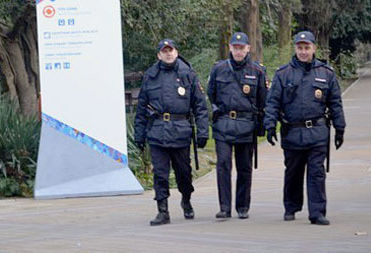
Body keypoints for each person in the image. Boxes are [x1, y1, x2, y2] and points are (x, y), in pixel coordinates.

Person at [264, 30, 346, 225]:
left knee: (316, 172)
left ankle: (317, 212)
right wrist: (269, 125)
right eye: (300, 48)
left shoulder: (326, 73)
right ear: (295, 49)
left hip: (317, 132)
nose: (303, 52)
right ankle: (291, 207)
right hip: (292, 132)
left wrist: (340, 128)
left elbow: (335, 103)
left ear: (314, 48)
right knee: (293, 171)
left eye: (306, 48)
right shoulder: (283, 74)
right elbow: (273, 102)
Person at [134, 39, 209, 226]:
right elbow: (142, 107)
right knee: (160, 173)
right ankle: (162, 211)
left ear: (176, 52)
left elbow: (200, 106)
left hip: (180, 130)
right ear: (159, 55)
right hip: (157, 131)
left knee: (183, 172)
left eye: (171, 50)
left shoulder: (187, 74)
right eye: (164, 51)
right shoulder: (150, 76)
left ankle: (186, 200)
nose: (168, 54)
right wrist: (139, 134)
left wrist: (202, 132)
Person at [207, 32, 267, 220]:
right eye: (235, 47)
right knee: (223, 164)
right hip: (223, 123)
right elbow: (211, 94)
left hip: (246, 124)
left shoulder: (257, 71)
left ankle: (242, 206)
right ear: (230, 48)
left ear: (248, 48)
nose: (238, 51)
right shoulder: (219, 69)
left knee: (244, 166)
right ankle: (224, 207)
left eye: (242, 48)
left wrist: (262, 125)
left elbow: (263, 99)